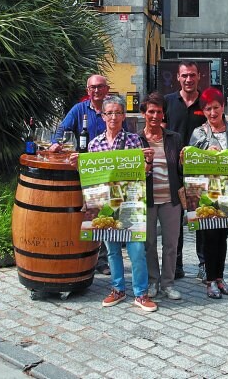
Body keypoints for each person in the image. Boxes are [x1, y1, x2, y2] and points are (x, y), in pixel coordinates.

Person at [69, 95, 157, 312]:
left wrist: (148, 162)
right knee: (112, 251)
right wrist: (79, 166)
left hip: (130, 204)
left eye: (118, 112)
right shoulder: (94, 144)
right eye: (110, 113)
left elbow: (144, 175)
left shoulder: (134, 141)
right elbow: (92, 177)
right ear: (103, 115)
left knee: (137, 250)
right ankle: (118, 289)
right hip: (105, 205)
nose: (114, 117)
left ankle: (141, 293)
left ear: (124, 116)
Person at [50, 74, 115, 275]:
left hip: (107, 169)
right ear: (88, 90)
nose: (96, 91)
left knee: (104, 212)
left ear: (107, 89)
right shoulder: (79, 110)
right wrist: (56, 142)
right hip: (85, 170)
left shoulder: (112, 109)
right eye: (93, 87)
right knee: (89, 211)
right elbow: (62, 129)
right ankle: (85, 256)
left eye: (100, 87)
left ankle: (102, 260)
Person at [188, 87, 228, 299]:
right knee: (210, 237)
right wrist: (204, 152)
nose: (212, 113)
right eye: (208, 109)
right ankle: (209, 281)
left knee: (223, 236)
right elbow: (190, 161)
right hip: (206, 193)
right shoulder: (199, 133)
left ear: (223, 107)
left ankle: (220, 278)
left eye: (216, 108)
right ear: (203, 111)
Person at [164, 60, 207, 281]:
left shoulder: (207, 102)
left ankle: (203, 264)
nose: (188, 79)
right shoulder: (168, 102)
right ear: (178, 78)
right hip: (173, 169)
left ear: (198, 76)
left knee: (200, 217)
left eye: (192, 75)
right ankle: (177, 264)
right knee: (174, 220)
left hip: (200, 170)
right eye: (184, 76)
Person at [140, 92, 184, 301]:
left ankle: (168, 283)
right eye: (151, 111)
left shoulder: (173, 138)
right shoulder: (136, 140)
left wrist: (185, 161)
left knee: (171, 243)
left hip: (170, 199)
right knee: (149, 243)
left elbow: (181, 169)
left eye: (159, 111)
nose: (155, 116)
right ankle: (152, 281)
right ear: (144, 113)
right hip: (147, 199)